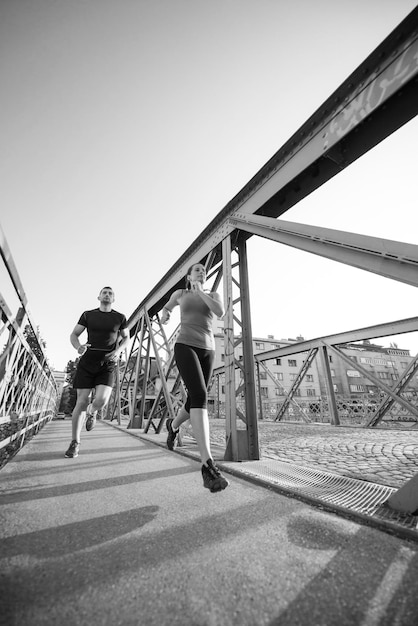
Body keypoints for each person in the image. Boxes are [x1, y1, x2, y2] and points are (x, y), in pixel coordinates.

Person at [160, 263, 229, 493]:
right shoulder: (180, 294)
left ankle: (173, 424)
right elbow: (167, 308)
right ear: (189, 276)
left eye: (204, 271)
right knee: (200, 394)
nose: (202, 272)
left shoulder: (213, 295)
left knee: (193, 400)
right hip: (185, 344)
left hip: (208, 349)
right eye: (197, 270)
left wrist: (201, 291)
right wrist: (166, 314)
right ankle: (207, 464)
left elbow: (219, 312)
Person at [65, 287, 129, 458]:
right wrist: (78, 347)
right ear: (99, 297)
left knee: (101, 400)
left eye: (110, 293)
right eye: (104, 292)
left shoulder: (120, 317)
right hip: (88, 361)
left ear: (113, 299)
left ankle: (92, 412)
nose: (107, 295)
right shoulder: (88, 315)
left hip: (108, 363)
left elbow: (126, 337)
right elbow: (74, 334)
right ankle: (75, 442)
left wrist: (118, 351)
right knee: (81, 401)